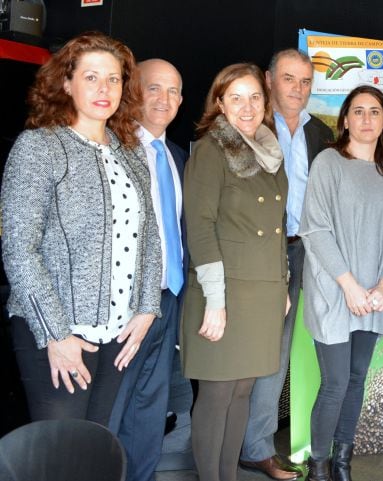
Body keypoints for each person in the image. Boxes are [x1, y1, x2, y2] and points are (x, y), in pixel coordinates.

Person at [0, 31, 161, 427]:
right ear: (66, 83)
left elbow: (151, 235)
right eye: (91, 77)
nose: (104, 88)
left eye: (114, 78)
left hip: (118, 333)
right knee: (61, 456)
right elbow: (20, 249)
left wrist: (147, 309)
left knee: (94, 448)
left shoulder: (130, 150)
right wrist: (56, 335)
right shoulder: (39, 147)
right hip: (57, 333)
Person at [181, 63, 289, 481]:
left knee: (243, 391)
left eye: (255, 97)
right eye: (236, 97)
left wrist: (281, 283)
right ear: (220, 102)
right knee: (218, 392)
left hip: (262, 289)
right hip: (224, 290)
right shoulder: (211, 149)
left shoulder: (269, 150)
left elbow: (280, 226)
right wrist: (214, 300)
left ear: (265, 102)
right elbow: (201, 227)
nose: (247, 107)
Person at [300, 85, 383, 481]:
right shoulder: (328, 163)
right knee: (335, 383)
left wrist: (382, 287)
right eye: (358, 111)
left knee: (357, 378)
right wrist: (348, 286)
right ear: (345, 120)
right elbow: (315, 230)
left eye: (374, 111)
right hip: (335, 292)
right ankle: (319, 467)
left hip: (374, 297)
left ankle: (344, 461)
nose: (366, 119)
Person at [240, 49, 333, 481]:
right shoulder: (249, 128)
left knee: (281, 352)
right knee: (255, 349)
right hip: (261, 253)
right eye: (289, 79)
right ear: (269, 79)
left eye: (306, 81)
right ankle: (244, 446)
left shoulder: (322, 134)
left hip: (307, 251)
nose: (298, 89)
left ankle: (255, 446)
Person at [108, 58, 188, 481]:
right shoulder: (111, 149)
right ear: (132, 91)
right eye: (154, 88)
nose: (165, 99)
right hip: (122, 306)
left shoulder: (176, 155)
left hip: (167, 299)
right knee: (112, 410)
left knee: (149, 410)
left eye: (174, 90)